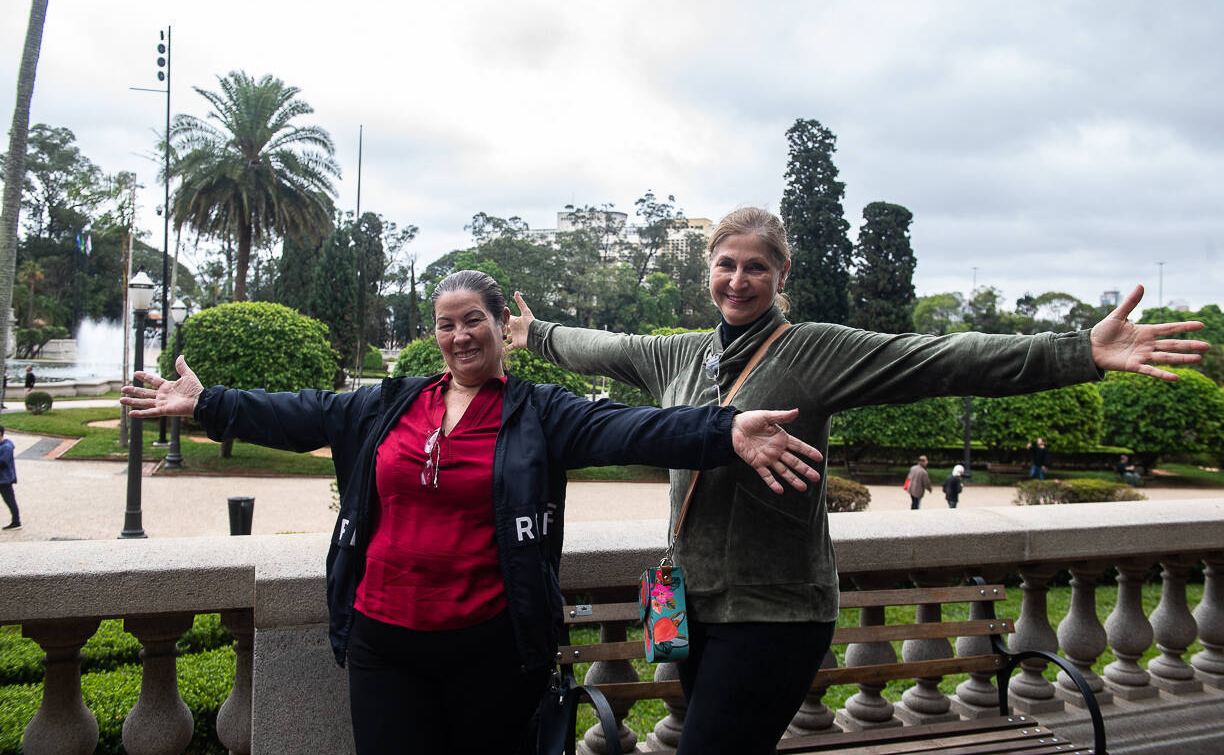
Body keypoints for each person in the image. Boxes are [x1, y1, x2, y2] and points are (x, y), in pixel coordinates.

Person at [507, 206, 1209, 755]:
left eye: (757, 267)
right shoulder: (676, 357)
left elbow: (943, 358)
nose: (739, 280)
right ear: (708, 273)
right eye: (727, 265)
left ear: (784, 276)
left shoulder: (814, 351)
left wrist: (1076, 351)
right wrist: (534, 334)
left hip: (779, 611)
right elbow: (597, 347)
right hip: (697, 609)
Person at [121, 269, 823, 754]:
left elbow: (630, 428)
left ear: (499, 328)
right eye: (446, 325)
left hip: (492, 649)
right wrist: (206, 404)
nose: (459, 337)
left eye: (473, 322)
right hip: (382, 646)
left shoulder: (539, 413)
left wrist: (722, 430)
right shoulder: (388, 402)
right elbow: (301, 413)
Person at [0, 426, 19, 530]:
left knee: (10, 500)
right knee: (9, 500)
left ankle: (16, 522)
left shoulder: (6, 447)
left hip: (4, 480)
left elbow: (2, 462)